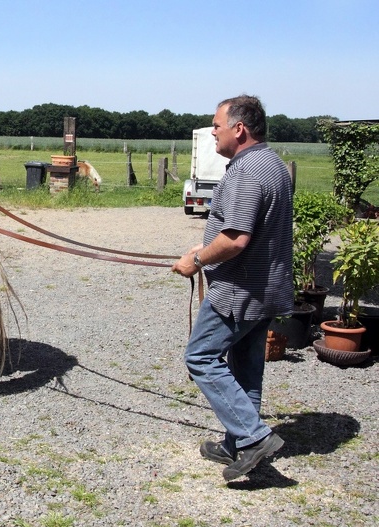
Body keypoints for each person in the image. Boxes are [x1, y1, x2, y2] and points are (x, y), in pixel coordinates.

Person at [171, 95, 293, 481]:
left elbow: (237, 238)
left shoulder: (245, 172)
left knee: (201, 357)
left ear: (239, 128)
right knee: (247, 369)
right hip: (265, 290)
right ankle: (237, 443)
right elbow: (245, 232)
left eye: (217, 125)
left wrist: (198, 260)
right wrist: (203, 248)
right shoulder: (272, 164)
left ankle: (254, 437)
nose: (212, 132)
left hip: (238, 293)